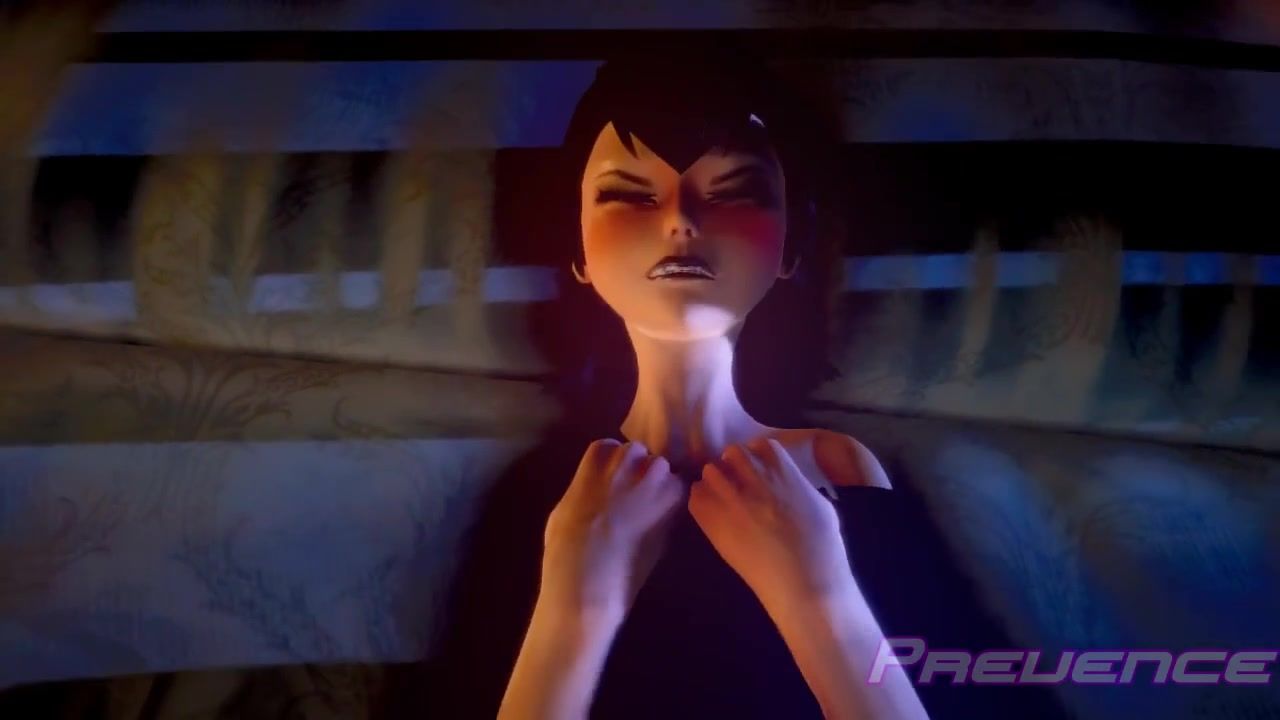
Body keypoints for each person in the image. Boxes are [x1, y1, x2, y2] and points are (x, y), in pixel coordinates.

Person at [390, 53, 1074, 719]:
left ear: (791, 244)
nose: (681, 221)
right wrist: (575, 611)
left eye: (733, 191)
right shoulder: (538, 499)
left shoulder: (835, 471)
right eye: (630, 194)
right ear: (577, 248)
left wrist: (821, 598)